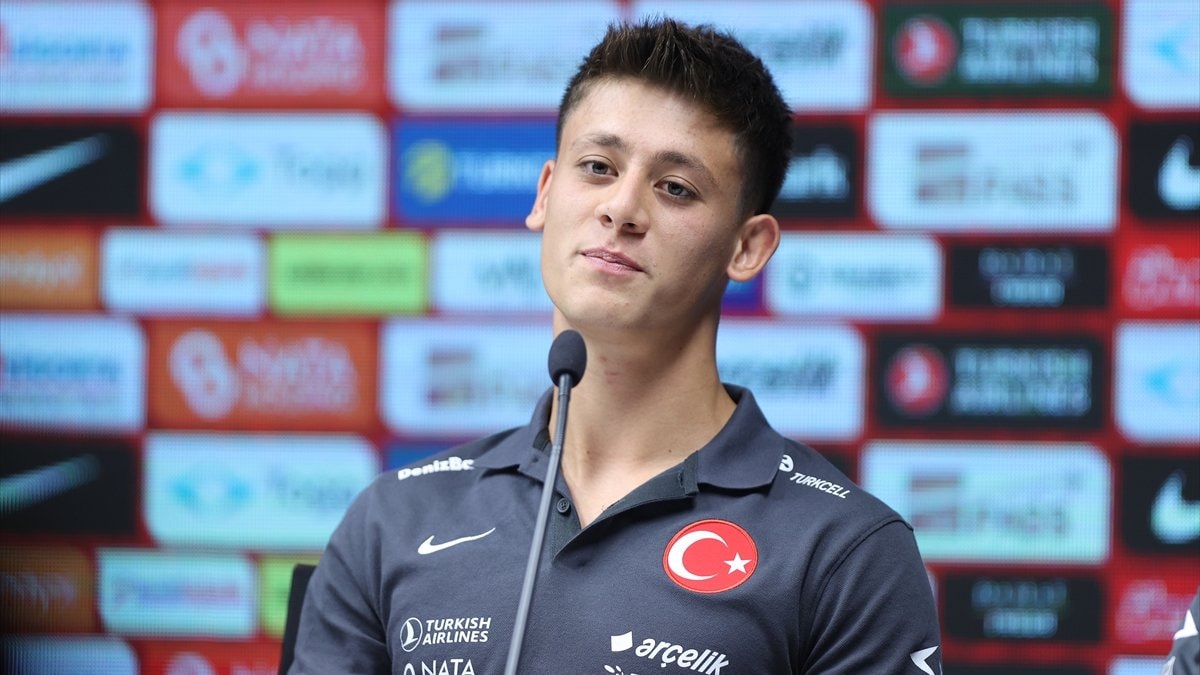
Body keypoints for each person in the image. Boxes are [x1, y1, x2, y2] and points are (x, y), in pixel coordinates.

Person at [291, 18, 942, 674]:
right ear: (546, 193)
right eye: (598, 168)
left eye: (676, 188)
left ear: (748, 247)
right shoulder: (392, 519)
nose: (621, 209)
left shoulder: (847, 551)